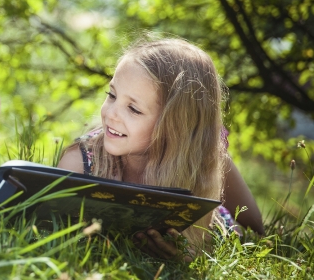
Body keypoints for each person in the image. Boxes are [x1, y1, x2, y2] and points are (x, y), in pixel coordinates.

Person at [57, 38, 264, 261]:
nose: (111, 114)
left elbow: (256, 232)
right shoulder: (80, 163)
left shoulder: (204, 159)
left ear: (174, 126)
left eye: (134, 109)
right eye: (112, 95)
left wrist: (191, 257)